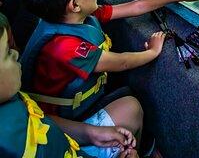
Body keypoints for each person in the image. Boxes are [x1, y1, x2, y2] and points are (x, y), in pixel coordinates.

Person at [19, 0, 198, 156]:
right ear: (75, 4)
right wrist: (152, 52)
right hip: (60, 123)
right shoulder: (65, 48)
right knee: (133, 107)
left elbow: (135, 6)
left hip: (79, 105)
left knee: (129, 97)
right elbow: (122, 62)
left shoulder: (77, 16)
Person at [0, 12, 139, 158]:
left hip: (67, 143)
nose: (16, 54)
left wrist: (91, 133)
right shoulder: (11, 147)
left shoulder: (10, 96)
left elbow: (40, 121)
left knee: (131, 108)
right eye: (7, 53)